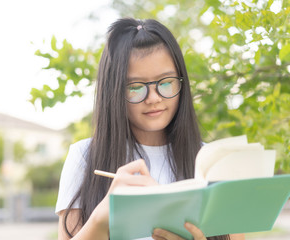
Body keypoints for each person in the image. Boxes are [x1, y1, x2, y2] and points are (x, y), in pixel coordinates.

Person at [55, 18, 245, 240]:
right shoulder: (85, 156)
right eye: (136, 87)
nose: (154, 98)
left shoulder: (214, 163)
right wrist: (102, 216)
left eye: (165, 82)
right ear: (114, 91)